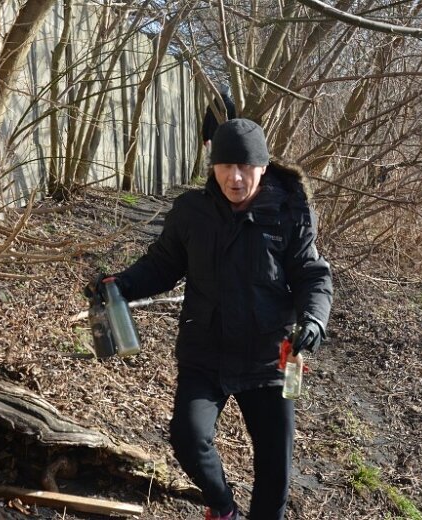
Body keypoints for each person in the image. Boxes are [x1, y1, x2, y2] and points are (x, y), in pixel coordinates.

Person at [87, 119, 332, 520]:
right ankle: (222, 507)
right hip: (206, 353)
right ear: (212, 166)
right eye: (225, 167)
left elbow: (312, 275)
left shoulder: (290, 213)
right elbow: (163, 265)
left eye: (246, 168)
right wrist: (122, 285)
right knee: (187, 437)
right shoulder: (191, 212)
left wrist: (314, 320)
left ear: (263, 167)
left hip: (269, 358)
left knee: (275, 471)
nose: (235, 178)